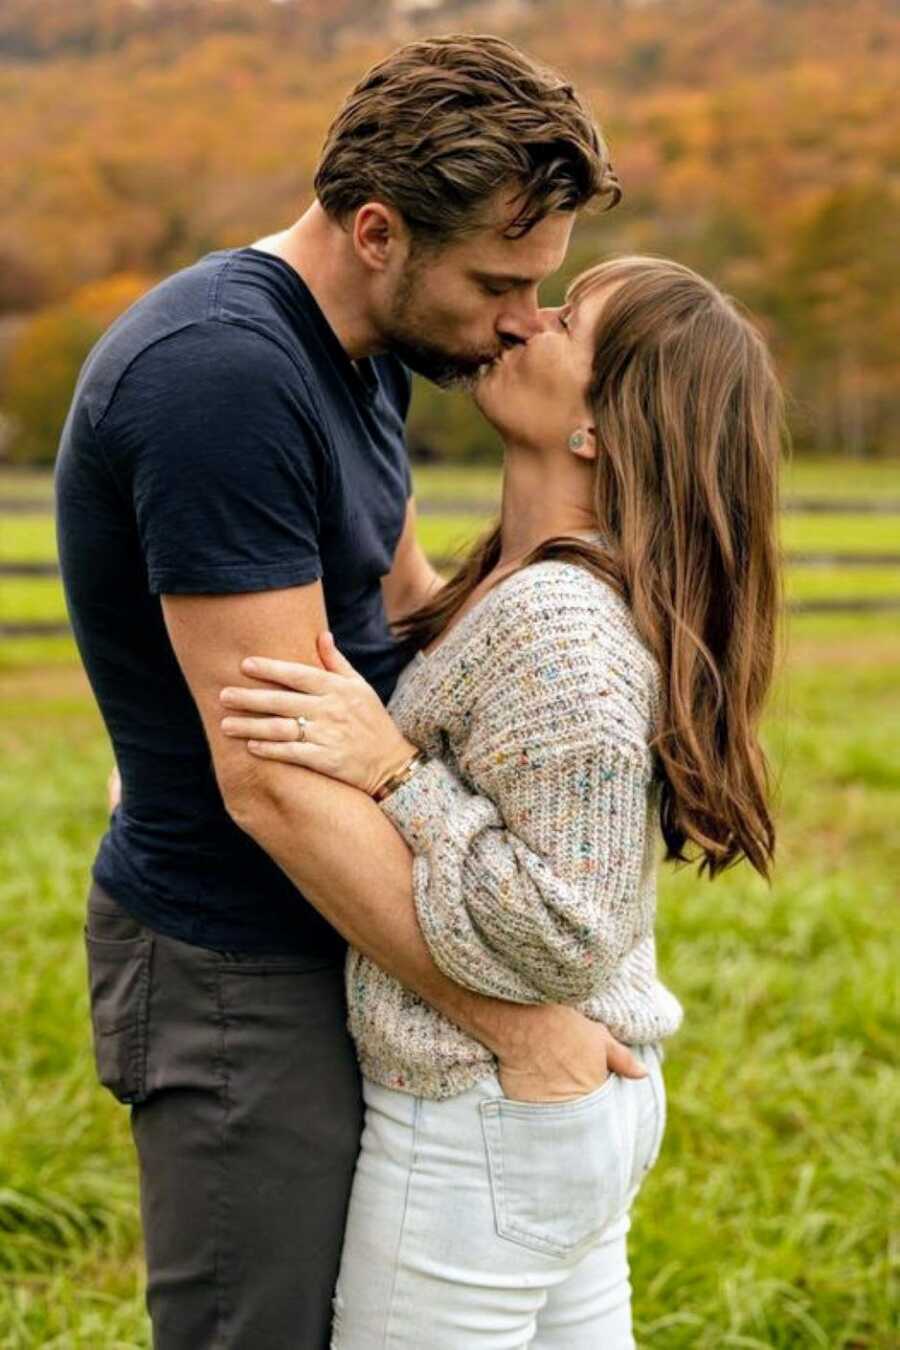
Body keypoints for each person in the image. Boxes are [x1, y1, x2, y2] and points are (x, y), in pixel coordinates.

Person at [54, 34, 648, 1350]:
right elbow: (268, 775)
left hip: (354, 923)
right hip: (235, 960)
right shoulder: (224, 376)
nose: (519, 319)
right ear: (378, 230)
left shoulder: (365, 352)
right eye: (499, 283)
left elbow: (396, 614)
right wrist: (514, 1017)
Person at [218, 254, 784, 1346]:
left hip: (485, 1113)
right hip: (550, 1110)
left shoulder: (559, 628)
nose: (524, 323)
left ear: (598, 430)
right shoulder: (529, 584)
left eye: (566, 321)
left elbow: (566, 931)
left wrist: (393, 774)